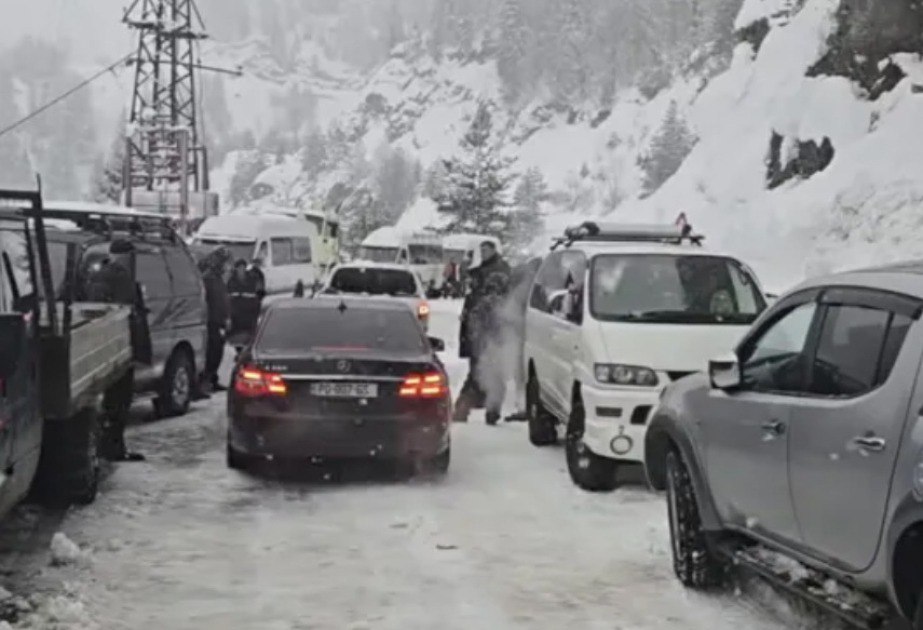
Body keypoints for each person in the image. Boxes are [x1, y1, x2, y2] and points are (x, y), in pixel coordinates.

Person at [87, 239, 145, 462]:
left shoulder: (115, 275)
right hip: (117, 345)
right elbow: (103, 311)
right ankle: (111, 448)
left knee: (119, 400)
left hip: (121, 344)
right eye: (130, 255)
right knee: (117, 400)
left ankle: (114, 446)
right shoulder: (110, 276)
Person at [454, 241, 511, 425]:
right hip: (478, 330)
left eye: (486, 250)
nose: (484, 253)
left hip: (490, 330)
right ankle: (480, 408)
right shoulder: (480, 270)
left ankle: (477, 409)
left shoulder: (499, 271)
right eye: (482, 250)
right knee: (480, 370)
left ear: (494, 251)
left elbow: (493, 301)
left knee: (487, 370)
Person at [503, 256, 544, 422]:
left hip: (525, 333)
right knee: (525, 371)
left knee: (522, 371)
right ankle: (525, 405)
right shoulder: (532, 287)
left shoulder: (525, 286)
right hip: (527, 334)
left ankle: (524, 405)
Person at [200, 247, 231, 394]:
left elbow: (223, 300)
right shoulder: (208, 279)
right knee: (212, 352)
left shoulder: (218, 279)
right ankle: (205, 381)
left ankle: (212, 378)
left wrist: (226, 317)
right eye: (225, 262)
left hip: (219, 320)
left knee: (218, 350)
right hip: (211, 321)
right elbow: (211, 301)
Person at [227, 259, 261, 343]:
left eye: (243, 268)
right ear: (236, 269)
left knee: (249, 336)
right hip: (236, 315)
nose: (241, 270)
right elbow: (228, 298)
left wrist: (256, 313)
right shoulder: (231, 281)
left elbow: (256, 297)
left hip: (249, 313)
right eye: (239, 268)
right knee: (236, 337)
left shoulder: (252, 280)